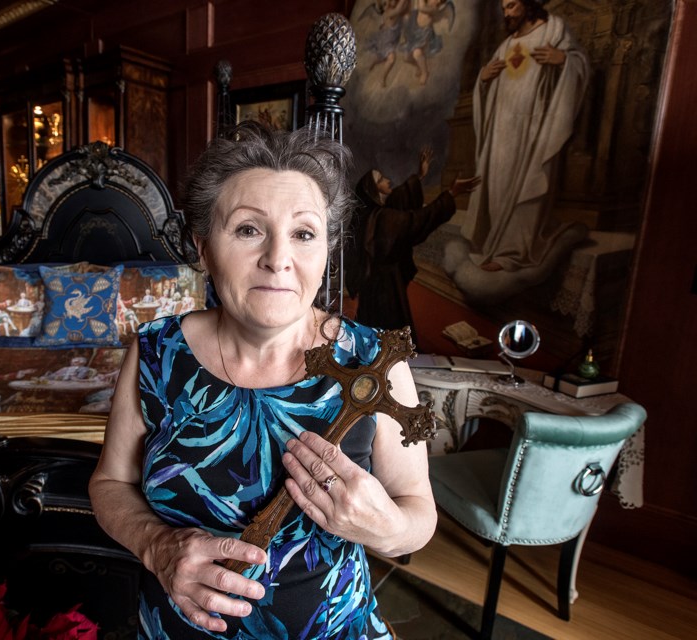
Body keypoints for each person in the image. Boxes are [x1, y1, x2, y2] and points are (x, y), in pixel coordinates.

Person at [89, 122, 437, 638]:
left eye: (303, 233)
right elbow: (109, 484)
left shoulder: (376, 364)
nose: (278, 258)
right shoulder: (157, 354)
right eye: (249, 229)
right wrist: (157, 546)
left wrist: (386, 528)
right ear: (203, 248)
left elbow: (419, 514)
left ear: (326, 252)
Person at [460, 0, 589, 272]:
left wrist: (564, 60)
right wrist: (482, 79)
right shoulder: (506, 45)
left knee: (527, 187)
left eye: (512, 6)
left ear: (528, 4)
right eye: (504, 8)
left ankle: (512, 252)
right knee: (497, 188)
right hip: (501, 133)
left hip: (534, 131)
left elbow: (580, 65)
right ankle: (493, 245)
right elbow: (488, 86)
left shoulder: (553, 30)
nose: (507, 13)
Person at [347, 147, 479, 344]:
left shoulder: (373, 213)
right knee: (389, 330)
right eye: (382, 180)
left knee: (373, 327)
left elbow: (400, 198)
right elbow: (418, 219)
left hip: (376, 283)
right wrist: (451, 193)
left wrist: (419, 176)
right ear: (375, 189)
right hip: (385, 286)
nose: (388, 181)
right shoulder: (384, 218)